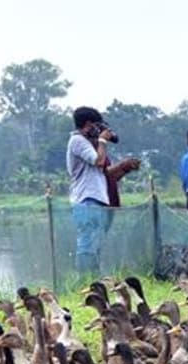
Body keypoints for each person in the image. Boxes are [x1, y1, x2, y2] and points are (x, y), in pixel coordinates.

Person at [66, 106, 116, 273]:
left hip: (95, 197)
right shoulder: (77, 141)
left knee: (95, 242)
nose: (98, 129)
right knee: (87, 241)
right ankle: (85, 279)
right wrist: (102, 141)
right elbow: (98, 161)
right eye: (96, 125)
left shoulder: (86, 142)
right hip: (86, 198)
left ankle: (94, 278)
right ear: (88, 124)